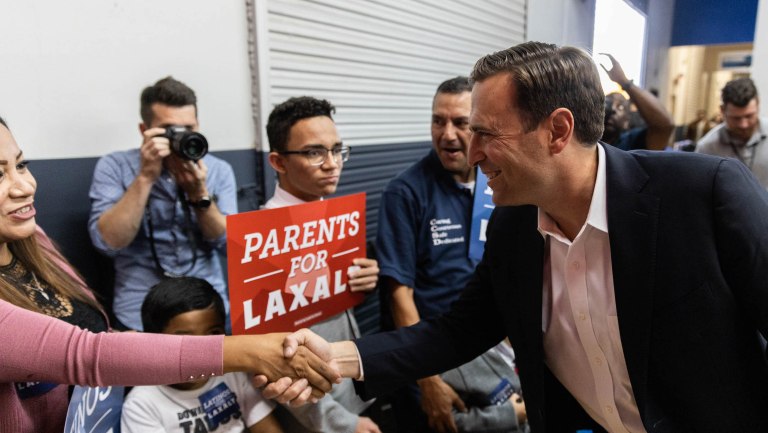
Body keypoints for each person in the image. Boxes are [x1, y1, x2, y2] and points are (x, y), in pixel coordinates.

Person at [271, 41, 768, 432]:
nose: (472, 153)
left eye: (486, 133)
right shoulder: (513, 227)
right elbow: (458, 330)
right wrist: (336, 357)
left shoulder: (703, 193)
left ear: (556, 130)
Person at [0, 115, 337, 433]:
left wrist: (199, 195)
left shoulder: (28, 235)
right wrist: (253, 351)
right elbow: (89, 355)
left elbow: (98, 332)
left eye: (22, 164)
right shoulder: (118, 169)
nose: (24, 186)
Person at [376, 76, 525, 433]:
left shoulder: (499, 182)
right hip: (431, 353)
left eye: (460, 123)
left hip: (489, 348)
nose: (447, 134)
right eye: (437, 120)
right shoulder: (406, 193)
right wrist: (427, 381)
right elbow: (399, 296)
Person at [263, 96, 383, 433]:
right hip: (315, 412)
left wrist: (363, 282)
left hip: (348, 386)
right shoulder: (262, 241)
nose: (332, 163)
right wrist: (342, 423)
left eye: (337, 150)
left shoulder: (334, 218)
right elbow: (272, 358)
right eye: (315, 152)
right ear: (278, 161)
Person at [89, 76, 237, 330]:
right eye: (170, 130)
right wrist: (146, 177)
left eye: (189, 128)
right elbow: (108, 242)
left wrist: (199, 193)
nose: (181, 137)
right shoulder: (114, 166)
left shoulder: (218, 170)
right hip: (139, 310)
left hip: (207, 309)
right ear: (144, 130)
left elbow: (229, 246)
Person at [122, 277, 283, 433]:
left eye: (213, 334)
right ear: (153, 343)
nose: (201, 353)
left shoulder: (233, 373)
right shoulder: (141, 404)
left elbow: (267, 428)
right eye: (184, 341)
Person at [696, 77, 768, 188]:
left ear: (758, 105)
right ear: (722, 110)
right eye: (736, 118)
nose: (744, 125)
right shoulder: (707, 148)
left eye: (749, 116)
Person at [600, 53, 674, 151]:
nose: (613, 110)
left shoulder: (633, 142)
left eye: (620, 107)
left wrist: (623, 81)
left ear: (626, 121)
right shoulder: (587, 140)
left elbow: (665, 126)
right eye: (609, 104)